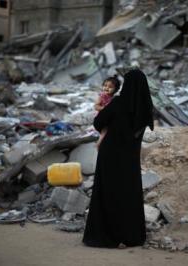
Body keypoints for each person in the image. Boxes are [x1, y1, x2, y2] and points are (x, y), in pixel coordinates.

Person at [83, 69, 154, 248]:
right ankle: (131, 236)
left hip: (110, 155)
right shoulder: (145, 107)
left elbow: (98, 122)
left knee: (107, 193)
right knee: (129, 193)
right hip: (130, 159)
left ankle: (103, 235)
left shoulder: (118, 102)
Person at [94, 76, 120, 149]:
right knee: (104, 131)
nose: (107, 88)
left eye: (110, 87)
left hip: (109, 119)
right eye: (105, 85)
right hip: (102, 119)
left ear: (116, 89)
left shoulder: (114, 98)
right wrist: (105, 109)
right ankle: (98, 144)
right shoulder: (102, 96)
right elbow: (96, 106)